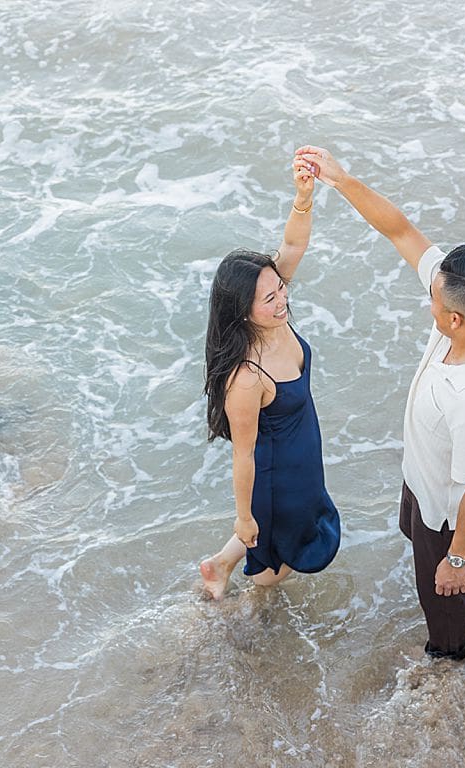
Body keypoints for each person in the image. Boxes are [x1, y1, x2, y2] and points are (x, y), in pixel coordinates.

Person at [295, 145, 465, 659]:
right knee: (410, 530)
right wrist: (340, 180)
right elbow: (401, 231)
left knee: (441, 604)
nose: (428, 299)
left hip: (448, 511)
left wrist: (455, 559)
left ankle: (454, 666)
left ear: (455, 318)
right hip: (424, 476)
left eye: (433, 301)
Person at [198, 158, 341, 600]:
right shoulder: (246, 378)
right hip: (276, 478)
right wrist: (243, 517)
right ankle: (248, 615)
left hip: (301, 463)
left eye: (280, 289)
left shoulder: (273, 311)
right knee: (276, 565)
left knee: (278, 535)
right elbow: (244, 456)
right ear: (243, 309)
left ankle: (220, 566)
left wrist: (303, 197)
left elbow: (292, 247)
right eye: (269, 298)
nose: (281, 301)